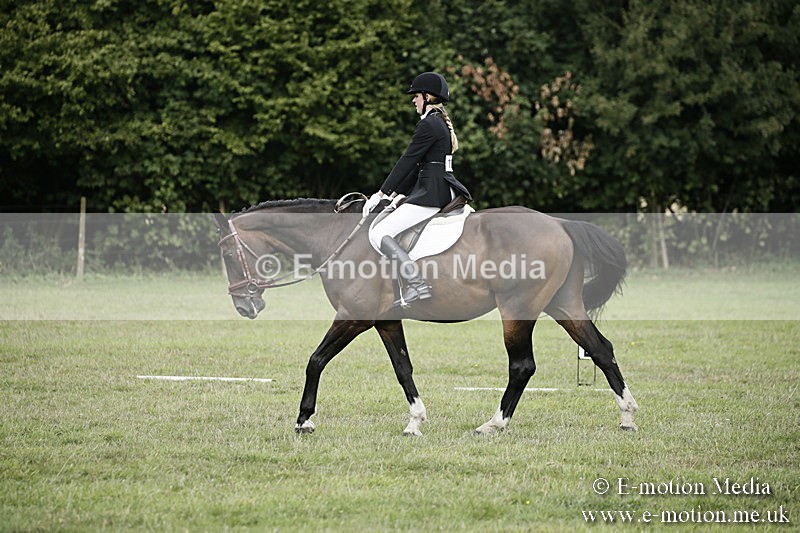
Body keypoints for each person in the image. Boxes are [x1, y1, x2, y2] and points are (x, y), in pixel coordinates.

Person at [363, 72, 472, 306]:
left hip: (433, 192)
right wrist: (395, 194)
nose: (414, 101)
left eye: (416, 96)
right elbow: (419, 166)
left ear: (428, 96)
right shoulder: (439, 121)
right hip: (439, 187)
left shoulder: (429, 124)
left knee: (379, 233)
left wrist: (381, 193)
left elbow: (408, 160)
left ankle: (417, 284)